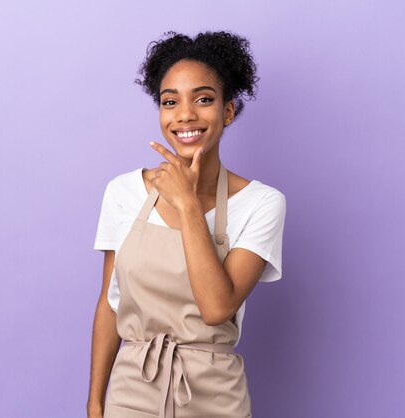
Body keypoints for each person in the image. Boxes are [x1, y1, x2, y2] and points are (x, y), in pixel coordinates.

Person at [87, 30, 286, 418]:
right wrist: (95, 404)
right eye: (170, 102)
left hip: (215, 397)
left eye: (204, 99)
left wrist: (186, 203)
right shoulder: (123, 192)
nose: (185, 115)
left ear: (227, 111)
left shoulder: (262, 203)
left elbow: (217, 307)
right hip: (132, 393)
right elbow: (110, 305)